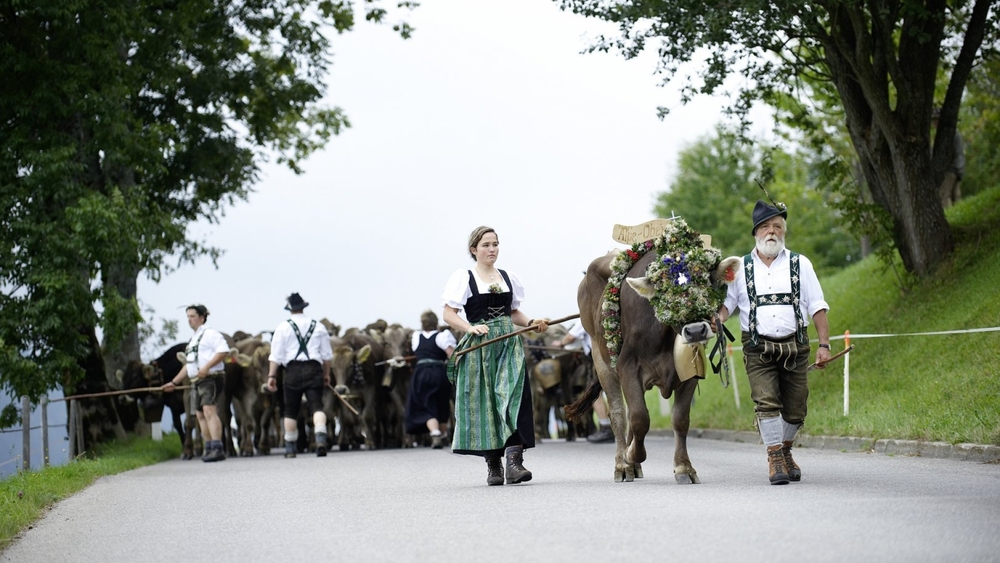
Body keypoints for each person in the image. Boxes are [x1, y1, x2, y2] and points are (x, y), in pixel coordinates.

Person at [716, 200, 832, 485]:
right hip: (758, 348)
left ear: (784, 232)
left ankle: (786, 450)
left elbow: (817, 306)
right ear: (756, 232)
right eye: (766, 227)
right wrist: (716, 319)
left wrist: (824, 345)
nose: (772, 232)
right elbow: (727, 304)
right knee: (766, 402)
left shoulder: (800, 264)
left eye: (777, 227)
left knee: (796, 409)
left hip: (796, 346)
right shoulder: (739, 267)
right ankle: (774, 457)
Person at [442, 226, 551, 486]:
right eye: (486, 245)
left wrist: (532, 322)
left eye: (495, 244)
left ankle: (515, 462)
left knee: (512, 396)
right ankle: (493, 465)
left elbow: (513, 313)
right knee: (486, 403)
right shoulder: (464, 277)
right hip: (479, 347)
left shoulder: (507, 276)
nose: (492, 249)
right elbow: (448, 314)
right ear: (474, 250)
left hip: (507, 344)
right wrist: (470, 327)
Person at [265, 293, 334, 458]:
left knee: (290, 410)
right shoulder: (318, 326)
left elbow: (275, 356)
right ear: (303, 306)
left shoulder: (282, 327)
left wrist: (271, 376)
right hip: (314, 367)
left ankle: (290, 448)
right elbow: (327, 356)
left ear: (289, 309)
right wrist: (326, 374)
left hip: (292, 370)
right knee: (316, 406)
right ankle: (320, 440)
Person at [162, 304, 230, 462]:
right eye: (188, 317)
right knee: (199, 414)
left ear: (202, 317)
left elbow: (223, 351)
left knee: (209, 411)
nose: (189, 320)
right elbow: (189, 366)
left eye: (192, 316)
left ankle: (218, 447)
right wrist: (174, 382)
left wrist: (206, 367)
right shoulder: (193, 340)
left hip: (210, 378)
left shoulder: (210, 334)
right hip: (196, 380)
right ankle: (209, 447)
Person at [552, 322, 613, 443]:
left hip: (596, 359)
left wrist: (560, 343)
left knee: (594, 394)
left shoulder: (587, 315)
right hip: (611, 356)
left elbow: (571, 336)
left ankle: (606, 428)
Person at [404, 310, 457, 449]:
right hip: (440, 371)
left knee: (425, 403)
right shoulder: (443, 336)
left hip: (421, 372)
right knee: (442, 402)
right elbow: (452, 355)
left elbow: (415, 351)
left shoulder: (416, 336)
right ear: (436, 322)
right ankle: (443, 434)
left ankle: (435, 433)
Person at [932, 107, 965, 208]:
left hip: (951, 169)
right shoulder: (952, 132)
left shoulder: (949, 134)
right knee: (955, 195)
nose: (933, 123)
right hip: (957, 168)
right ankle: (958, 216)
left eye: (935, 120)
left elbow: (950, 154)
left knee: (944, 195)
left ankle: (949, 217)